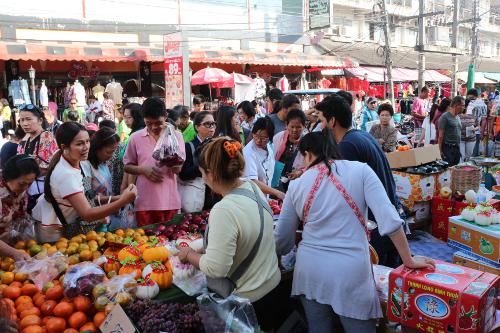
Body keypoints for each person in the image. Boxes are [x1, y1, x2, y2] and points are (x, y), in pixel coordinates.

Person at [274, 130, 435, 333]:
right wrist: (408, 260)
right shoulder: (361, 171)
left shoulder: (297, 185)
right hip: (350, 272)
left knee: (318, 328)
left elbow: (282, 240)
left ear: (307, 154)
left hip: (310, 271)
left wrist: (277, 259)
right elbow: (391, 220)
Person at [177, 137, 281, 331]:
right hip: (272, 286)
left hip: (250, 302)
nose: (204, 180)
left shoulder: (223, 210)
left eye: (202, 174)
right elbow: (245, 235)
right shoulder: (252, 188)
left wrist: (188, 255)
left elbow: (216, 268)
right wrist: (203, 246)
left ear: (212, 174)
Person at [315, 94, 401, 268]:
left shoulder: (347, 147)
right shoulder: (360, 136)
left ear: (332, 121)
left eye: (321, 120)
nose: (320, 126)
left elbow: (347, 197)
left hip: (376, 229)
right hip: (386, 222)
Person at [33, 122, 137, 230]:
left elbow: (88, 197)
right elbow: (87, 214)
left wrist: (115, 201)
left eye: (87, 141)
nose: (86, 147)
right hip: (54, 234)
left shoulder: (78, 164)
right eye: (79, 144)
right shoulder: (67, 174)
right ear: (64, 147)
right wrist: (122, 201)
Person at [123, 97, 185, 226]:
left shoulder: (176, 136)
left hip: (169, 201)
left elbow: (178, 169)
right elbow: (127, 166)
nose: (153, 127)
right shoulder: (135, 138)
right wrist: (143, 170)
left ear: (166, 116)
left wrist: (173, 163)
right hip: (144, 203)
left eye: (158, 122)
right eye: (148, 123)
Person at [17, 104, 58, 212]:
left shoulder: (46, 136)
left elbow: (44, 168)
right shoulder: (26, 139)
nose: (25, 123)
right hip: (28, 190)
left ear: (40, 120)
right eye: (22, 120)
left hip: (41, 192)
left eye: (28, 119)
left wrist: (22, 179)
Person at [0, 155, 39, 262]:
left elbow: (21, 216)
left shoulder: (20, 191)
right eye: (22, 184)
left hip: (7, 251)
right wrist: (13, 253)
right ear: (9, 177)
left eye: (30, 184)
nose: (26, 188)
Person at [179, 111, 217, 210]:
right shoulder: (189, 146)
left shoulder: (218, 145)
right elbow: (183, 174)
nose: (212, 127)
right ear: (197, 127)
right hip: (196, 197)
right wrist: (202, 167)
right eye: (208, 124)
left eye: (213, 123)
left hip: (215, 196)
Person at [243, 117, 285, 200]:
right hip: (252, 198)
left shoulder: (269, 147)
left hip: (264, 197)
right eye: (256, 136)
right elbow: (252, 181)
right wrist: (277, 192)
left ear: (270, 137)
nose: (258, 141)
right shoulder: (249, 152)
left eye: (264, 138)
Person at [272, 109, 306, 192]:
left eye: (298, 127)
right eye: (292, 127)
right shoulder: (278, 137)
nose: (294, 130)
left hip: (298, 183)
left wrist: (301, 171)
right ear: (286, 125)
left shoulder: (307, 141)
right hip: (277, 181)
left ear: (304, 126)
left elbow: (312, 164)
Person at [438, 96, 464, 166]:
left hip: (456, 148)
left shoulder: (458, 117)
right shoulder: (444, 117)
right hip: (448, 149)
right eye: (462, 105)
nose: (464, 107)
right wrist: (440, 151)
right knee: (448, 170)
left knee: (455, 170)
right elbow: (440, 136)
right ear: (456, 105)